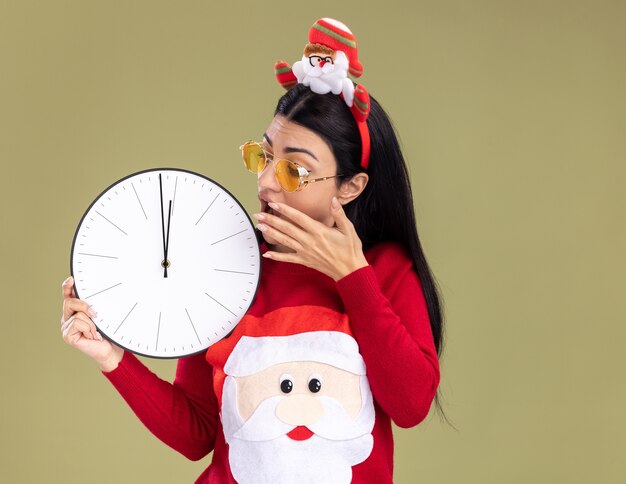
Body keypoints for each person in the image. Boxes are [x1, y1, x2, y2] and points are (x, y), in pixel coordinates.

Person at [60, 17, 447, 484]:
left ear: (349, 187)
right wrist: (111, 357)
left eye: (294, 171)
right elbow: (198, 435)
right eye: (262, 156)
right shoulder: (225, 268)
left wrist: (352, 277)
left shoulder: (384, 272)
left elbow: (410, 406)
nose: (264, 181)